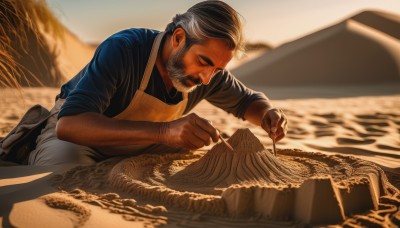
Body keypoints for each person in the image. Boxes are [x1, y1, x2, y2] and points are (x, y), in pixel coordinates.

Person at [28, 0, 288, 165]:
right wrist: (165, 132)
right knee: (62, 169)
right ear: (177, 38)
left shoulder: (210, 73)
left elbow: (248, 101)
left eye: (218, 69)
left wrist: (268, 114)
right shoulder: (124, 49)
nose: (207, 78)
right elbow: (71, 124)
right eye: (204, 62)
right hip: (81, 137)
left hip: (142, 142)